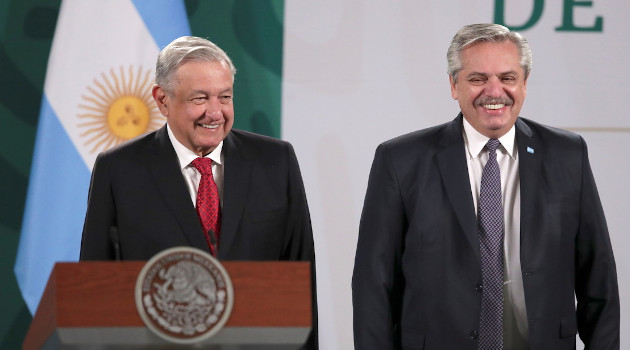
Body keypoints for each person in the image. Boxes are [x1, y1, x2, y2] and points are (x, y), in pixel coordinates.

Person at [352, 23, 619, 350]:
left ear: (524, 83)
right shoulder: (400, 160)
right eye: (478, 79)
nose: (495, 91)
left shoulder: (568, 154)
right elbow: (373, 284)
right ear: (454, 85)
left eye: (508, 78)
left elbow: (599, 280)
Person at [80, 36, 316, 348]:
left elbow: (300, 278)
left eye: (225, 97)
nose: (216, 112)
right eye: (200, 99)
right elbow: (95, 287)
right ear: (162, 100)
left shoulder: (275, 161)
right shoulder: (119, 170)